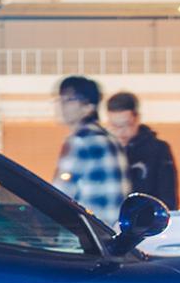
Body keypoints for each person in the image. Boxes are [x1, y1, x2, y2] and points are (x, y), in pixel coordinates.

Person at [53, 75, 127, 227]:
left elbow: (58, 196)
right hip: (111, 231)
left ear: (89, 107)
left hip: (88, 233)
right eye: (60, 99)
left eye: (69, 99)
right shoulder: (110, 139)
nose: (61, 105)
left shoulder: (81, 141)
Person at [105, 91, 179, 207]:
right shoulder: (104, 150)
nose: (121, 132)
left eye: (127, 125)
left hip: (146, 215)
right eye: (114, 126)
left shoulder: (158, 150)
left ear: (137, 119)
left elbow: (168, 196)